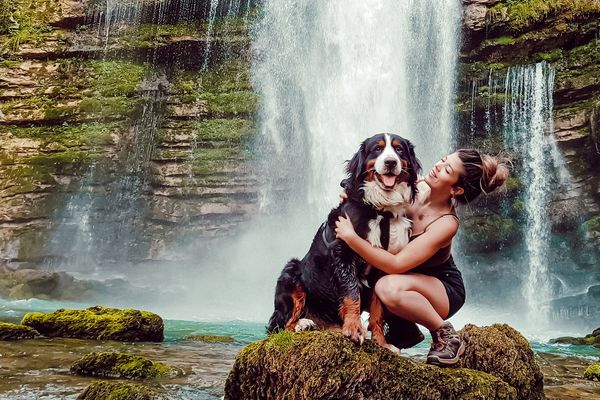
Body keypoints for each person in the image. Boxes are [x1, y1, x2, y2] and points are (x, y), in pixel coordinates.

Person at [335, 149, 509, 366]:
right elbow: (372, 191)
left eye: (447, 169)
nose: (437, 166)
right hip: (405, 279)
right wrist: (352, 198)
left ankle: (445, 335)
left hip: (441, 288)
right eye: (444, 159)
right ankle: (401, 328)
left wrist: (352, 238)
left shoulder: (446, 223)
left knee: (386, 287)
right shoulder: (414, 185)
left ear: (456, 189)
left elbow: (396, 264)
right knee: (364, 278)